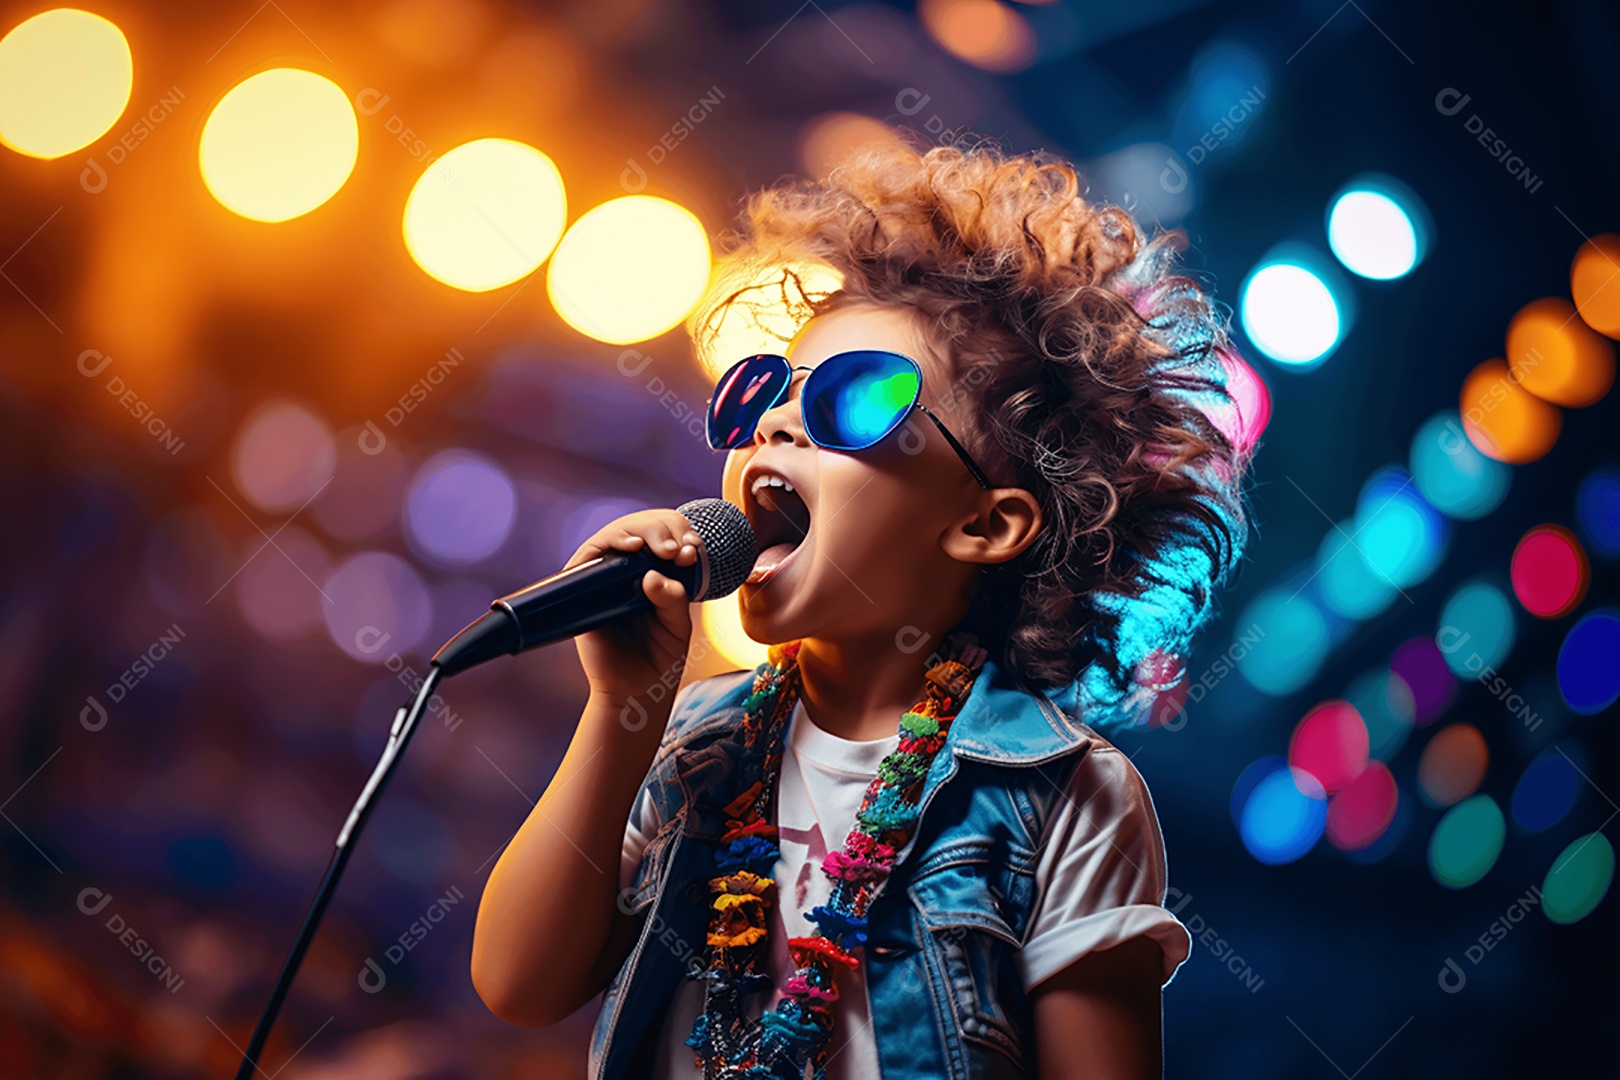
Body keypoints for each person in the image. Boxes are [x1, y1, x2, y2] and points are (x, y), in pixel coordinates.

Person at [470, 141, 1253, 1080]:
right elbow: (519, 984)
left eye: (855, 400)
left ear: (987, 523)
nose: (778, 423)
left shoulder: (1068, 797)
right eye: (769, 390)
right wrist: (621, 706)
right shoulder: (696, 739)